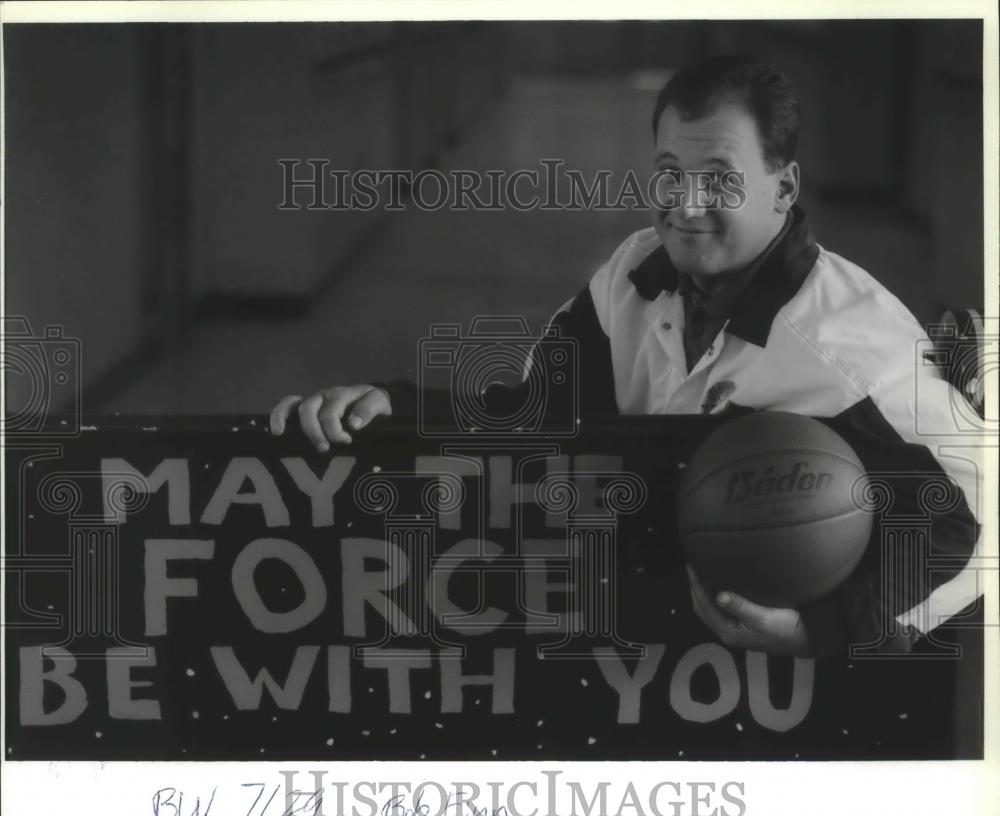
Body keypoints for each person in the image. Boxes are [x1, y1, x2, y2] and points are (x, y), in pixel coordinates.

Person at [270, 55, 980, 659]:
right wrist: (398, 405)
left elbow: (980, 519)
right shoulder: (636, 273)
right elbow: (536, 413)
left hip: (800, 677)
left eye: (720, 177)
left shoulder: (847, 351)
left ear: (785, 188)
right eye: (670, 171)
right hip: (663, 641)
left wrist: (828, 631)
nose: (686, 202)